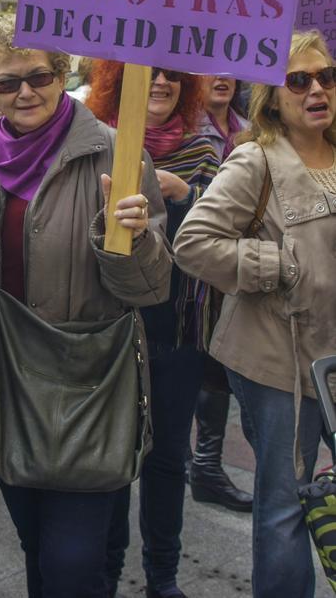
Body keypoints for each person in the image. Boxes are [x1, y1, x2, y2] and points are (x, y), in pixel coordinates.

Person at [0, 17, 172, 598]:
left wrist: (130, 238)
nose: (26, 92)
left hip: (89, 382)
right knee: (37, 547)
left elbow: (152, 290)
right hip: (7, 381)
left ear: (63, 76)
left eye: (40, 76)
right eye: (8, 83)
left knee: (70, 564)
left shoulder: (115, 152)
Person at [174, 30, 336, 598]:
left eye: (325, 77)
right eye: (299, 80)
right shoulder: (255, 160)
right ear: (271, 96)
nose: (317, 89)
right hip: (277, 364)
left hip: (333, 358)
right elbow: (192, 243)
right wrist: (274, 263)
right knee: (287, 504)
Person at [87, 62, 219, 598]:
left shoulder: (205, 151)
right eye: (150, 73)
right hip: (114, 326)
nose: (160, 82)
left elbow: (217, 239)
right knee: (114, 460)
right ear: (120, 78)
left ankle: (162, 577)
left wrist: (184, 195)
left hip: (176, 329)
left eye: (173, 75)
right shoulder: (96, 145)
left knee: (167, 459)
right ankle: (107, 574)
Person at [188, 77, 252, 512]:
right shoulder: (187, 129)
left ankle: (206, 464)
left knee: (217, 368)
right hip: (193, 271)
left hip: (234, 274)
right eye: (212, 69)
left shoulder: (250, 128)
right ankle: (190, 461)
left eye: (231, 69)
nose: (222, 77)